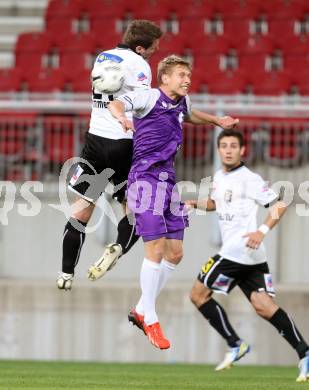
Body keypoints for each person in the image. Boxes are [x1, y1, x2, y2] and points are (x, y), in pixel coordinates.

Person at [105, 55, 239, 349]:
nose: (187, 80)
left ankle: (141, 309)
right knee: (155, 248)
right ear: (164, 78)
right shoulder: (148, 96)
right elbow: (116, 103)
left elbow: (191, 114)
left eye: (188, 75)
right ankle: (150, 317)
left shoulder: (182, 102)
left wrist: (217, 120)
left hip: (168, 182)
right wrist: (121, 117)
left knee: (175, 252)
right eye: (181, 75)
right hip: (144, 178)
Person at [187, 129, 309, 382]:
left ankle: (235, 344)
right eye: (224, 145)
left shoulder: (249, 178)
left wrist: (261, 231)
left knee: (197, 295)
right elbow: (216, 203)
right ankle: (305, 353)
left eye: (234, 146)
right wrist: (194, 203)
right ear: (218, 149)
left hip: (236, 251)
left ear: (242, 150)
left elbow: (281, 203)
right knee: (264, 307)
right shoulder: (220, 176)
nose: (229, 150)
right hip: (251, 256)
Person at [57, 20, 163, 290]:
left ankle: (66, 273)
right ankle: (116, 247)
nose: (154, 52)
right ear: (140, 47)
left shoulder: (103, 56)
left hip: (94, 141)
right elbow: (140, 105)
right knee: (132, 213)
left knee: (80, 211)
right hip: (123, 143)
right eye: (153, 48)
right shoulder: (139, 64)